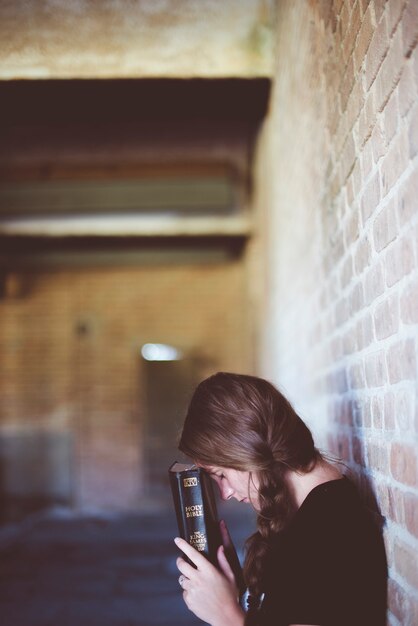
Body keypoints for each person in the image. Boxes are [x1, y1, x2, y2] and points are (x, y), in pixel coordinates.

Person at [174, 372, 387, 626]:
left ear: (246, 450)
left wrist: (227, 616)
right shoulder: (306, 514)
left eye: (221, 475)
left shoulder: (331, 530)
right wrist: (237, 591)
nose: (226, 493)